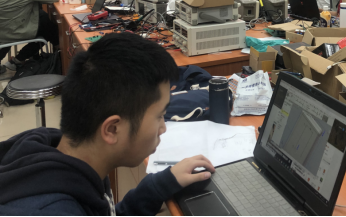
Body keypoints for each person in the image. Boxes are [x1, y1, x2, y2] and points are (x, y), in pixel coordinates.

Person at [0, 33, 215, 215]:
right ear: (112, 129)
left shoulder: (72, 160)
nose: (163, 128)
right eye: (160, 116)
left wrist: (159, 185)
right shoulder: (51, 208)